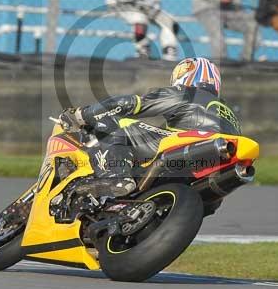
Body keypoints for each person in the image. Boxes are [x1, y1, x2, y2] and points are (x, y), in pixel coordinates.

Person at [58, 57, 240, 198]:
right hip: (216, 169)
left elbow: (130, 103)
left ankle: (115, 177)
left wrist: (82, 114)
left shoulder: (187, 93)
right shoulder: (230, 113)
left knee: (119, 121)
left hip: (187, 146)